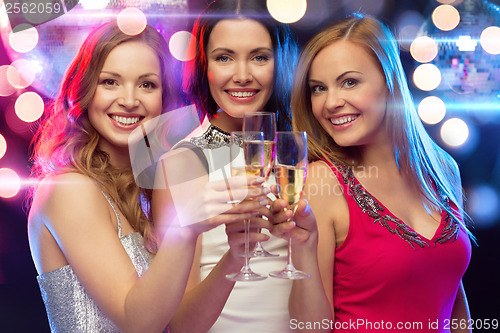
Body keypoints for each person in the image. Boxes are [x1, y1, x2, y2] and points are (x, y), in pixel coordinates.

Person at [26, 22, 239, 332]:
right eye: (110, 82)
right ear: (84, 89)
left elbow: (183, 327)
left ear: (164, 98)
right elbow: (137, 321)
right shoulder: (69, 189)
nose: (129, 99)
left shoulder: (152, 191)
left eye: (147, 85)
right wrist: (186, 229)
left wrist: (236, 257)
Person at [271, 14, 474, 332]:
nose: (331, 102)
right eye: (318, 89)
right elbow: (309, 327)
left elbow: (453, 301)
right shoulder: (323, 182)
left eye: (349, 82)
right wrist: (302, 248)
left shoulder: (444, 169)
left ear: (390, 80)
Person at [152, 0, 299, 332]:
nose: (242, 75)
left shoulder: (299, 153)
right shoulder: (182, 162)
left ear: (280, 63)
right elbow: (180, 324)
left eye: (259, 57)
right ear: (205, 66)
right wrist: (237, 254)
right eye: (224, 57)